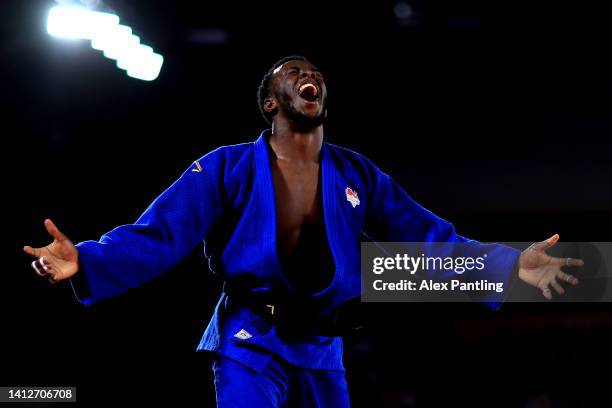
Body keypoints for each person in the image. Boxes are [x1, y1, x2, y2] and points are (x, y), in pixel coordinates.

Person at [23, 56, 583, 407]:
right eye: (292, 73)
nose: (307, 75)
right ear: (272, 102)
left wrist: (511, 264)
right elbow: (162, 232)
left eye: (313, 72)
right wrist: (89, 260)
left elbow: (429, 237)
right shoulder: (227, 167)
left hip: (323, 340)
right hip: (249, 338)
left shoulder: (358, 172)